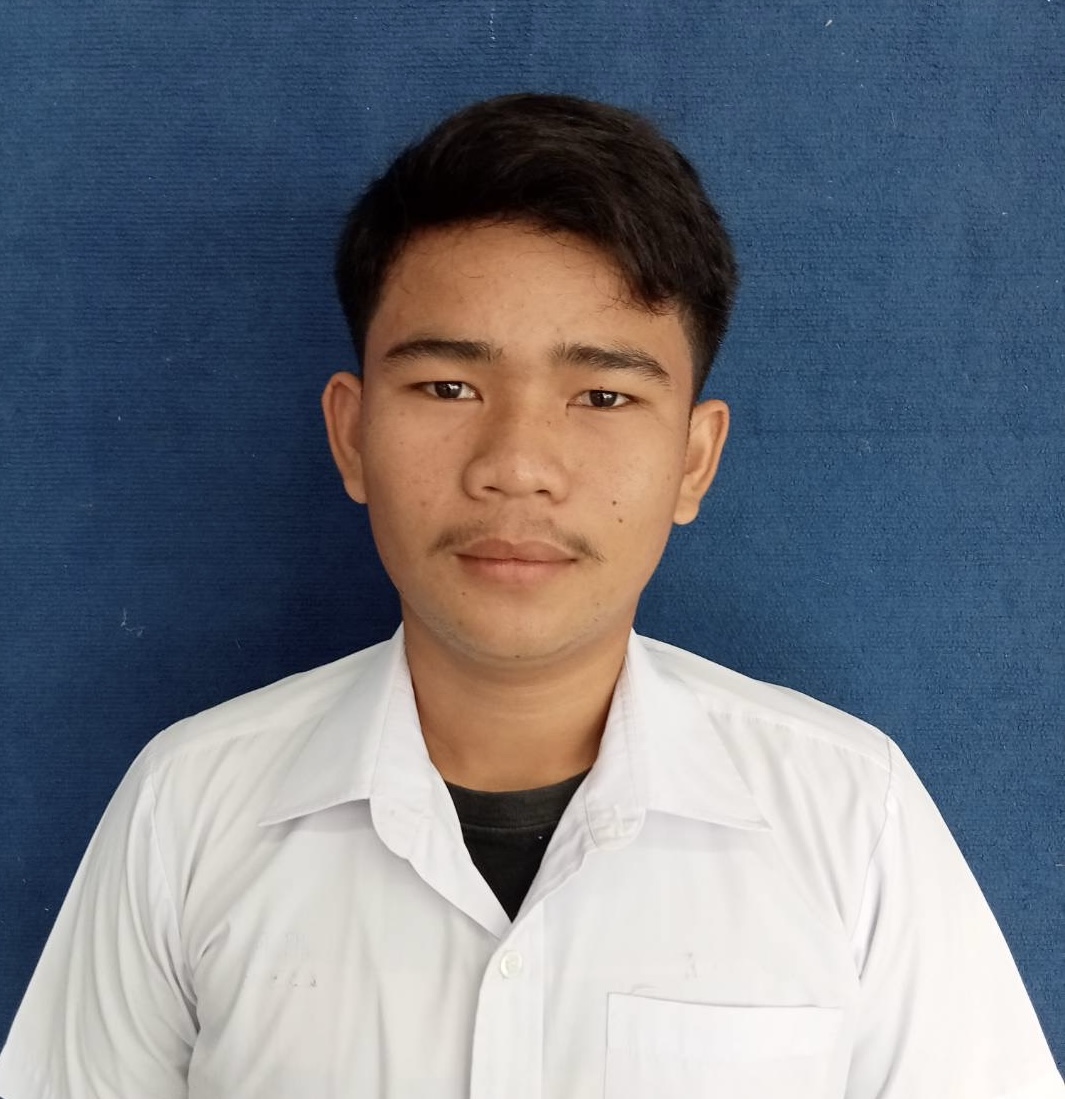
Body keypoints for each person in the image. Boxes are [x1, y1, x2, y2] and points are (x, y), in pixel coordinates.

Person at [0, 93, 1060, 1099]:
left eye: (602, 394)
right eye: (448, 386)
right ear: (351, 433)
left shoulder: (850, 817)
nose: (516, 464)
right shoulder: (190, 808)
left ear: (694, 459)